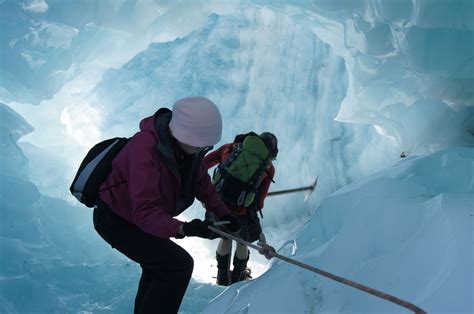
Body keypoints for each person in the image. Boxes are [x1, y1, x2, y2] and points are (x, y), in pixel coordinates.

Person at [92, 96, 241, 314]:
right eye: (202, 145)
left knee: (160, 267)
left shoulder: (188, 150)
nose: (204, 150)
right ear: (184, 134)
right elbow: (144, 212)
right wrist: (183, 228)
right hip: (115, 220)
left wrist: (225, 214)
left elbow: (201, 184)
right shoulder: (144, 148)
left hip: (142, 220)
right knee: (177, 265)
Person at [204, 132, 278, 286]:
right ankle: (238, 277)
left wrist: (206, 190)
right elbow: (259, 203)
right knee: (242, 241)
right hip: (240, 210)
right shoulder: (268, 167)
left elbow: (203, 164)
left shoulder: (230, 148)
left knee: (224, 236)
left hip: (217, 203)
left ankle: (222, 276)